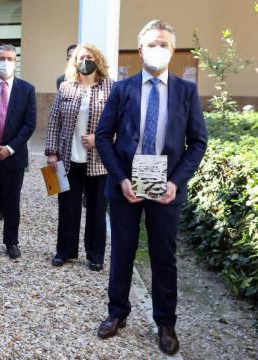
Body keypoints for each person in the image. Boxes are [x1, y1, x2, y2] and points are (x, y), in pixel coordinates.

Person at [94, 20, 207, 355]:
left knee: (164, 255)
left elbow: (198, 142)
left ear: (172, 50)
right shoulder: (122, 89)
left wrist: (176, 182)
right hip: (126, 187)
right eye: (151, 43)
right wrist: (121, 178)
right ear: (140, 48)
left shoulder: (186, 92)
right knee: (123, 253)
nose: (158, 49)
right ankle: (117, 313)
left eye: (164, 44)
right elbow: (104, 136)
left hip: (165, 189)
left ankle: (165, 322)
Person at [45, 43, 114, 271]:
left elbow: (120, 123)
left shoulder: (110, 88)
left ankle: (95, 255)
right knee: (68, 207)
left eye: (89, 56)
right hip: (67, 159)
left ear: (98, 60)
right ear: (74, 61)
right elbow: (54, 121)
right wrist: (52, 152)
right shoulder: (66, 88)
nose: (85, 60)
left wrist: (99, 137)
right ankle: (65, 251)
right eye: (80, 57)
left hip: (98, 160)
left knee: (96, 210)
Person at [0, 44, 36, 259]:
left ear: (15, 62)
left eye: (9, 58)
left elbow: (29, 124)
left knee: (12, 202)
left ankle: (11, 241)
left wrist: (10, 148)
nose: (5, 62)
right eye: (1, 58)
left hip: (14, 155)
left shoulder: (27, 89)